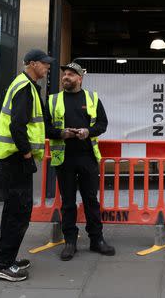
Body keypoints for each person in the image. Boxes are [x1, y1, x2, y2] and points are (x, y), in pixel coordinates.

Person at [0, 49, 52, 282]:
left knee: (16, 210)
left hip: (13, 157)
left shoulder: (25, 85)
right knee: (18, 211)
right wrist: (27, 154)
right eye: (45, 64)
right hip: (16, 158)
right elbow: (17, 126)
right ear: (33, 64)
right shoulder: (25, 87)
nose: (47, 68)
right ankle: (2, 264)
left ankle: (7, 258)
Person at [46, 61, 115, 261]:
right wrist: (62, 133)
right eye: (64, 74)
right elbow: (44, 127)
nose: (66, 77)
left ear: (79, 78)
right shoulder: (52, 100)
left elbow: (103, 124)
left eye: (70, 74)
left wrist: (88, 131)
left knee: (91, 201)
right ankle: (70, 242)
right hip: (64, 158)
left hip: (87, 157)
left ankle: (97, 240)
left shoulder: (92, 98)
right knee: (68, 202)